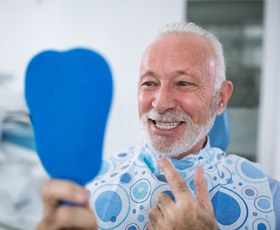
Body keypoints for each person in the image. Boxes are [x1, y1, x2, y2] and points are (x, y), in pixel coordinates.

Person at [37, 22, 280, 230]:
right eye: (149, 83)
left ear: (221, 99)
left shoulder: (268, 197)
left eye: (184, 83)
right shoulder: (86, 189)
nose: (161, 103)